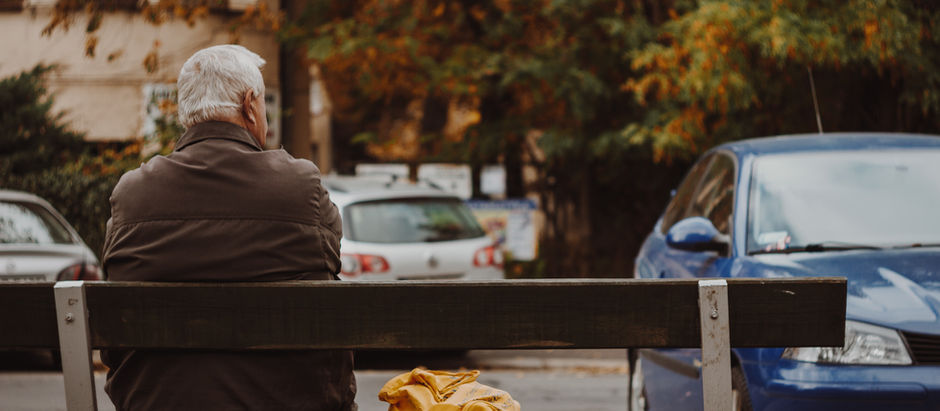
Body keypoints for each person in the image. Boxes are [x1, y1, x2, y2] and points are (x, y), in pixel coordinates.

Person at [101, 44, 357, 411]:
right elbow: (330, 263)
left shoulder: (132, 194)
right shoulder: (301, 187)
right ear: (250, 104)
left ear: (186, 114)